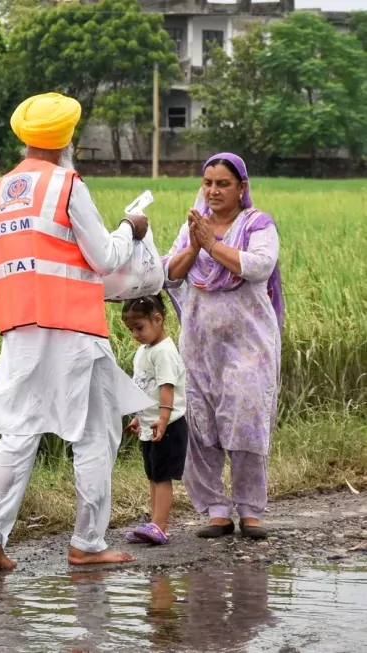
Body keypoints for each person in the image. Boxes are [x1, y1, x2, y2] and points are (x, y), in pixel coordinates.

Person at [0, 92, 150, 570]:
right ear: (67, 138)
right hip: (72, 327)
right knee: (96, 434)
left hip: (19, 325)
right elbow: (105, 258)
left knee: (18, 431)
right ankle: (88, 544)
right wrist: (130, 228)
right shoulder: (67, 184)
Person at [164, 152, 284, 540]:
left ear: (241, 188)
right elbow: (169, 272)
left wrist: (212, 245)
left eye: (224, 184)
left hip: (248, 344)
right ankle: (216, 510)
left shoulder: (257, 224)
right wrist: (196, 246)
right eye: (208, 183)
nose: (214, 191)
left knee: (246, 419)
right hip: (199, 344)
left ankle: (250, 510)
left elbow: (259, 266)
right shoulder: (194, 227)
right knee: (200, 425)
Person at [122, 294, 188, 546]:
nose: (135, 334)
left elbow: (167, 388)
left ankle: (160, 526)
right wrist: (139, 417)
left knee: (162, 477)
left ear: (158, 319)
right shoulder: (144, 351)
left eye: (139, 328)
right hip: (150, 426)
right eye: (131, 329)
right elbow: (144, 387)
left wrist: (162, 418)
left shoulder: (164, 352)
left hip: (167, 426)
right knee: (153, 475)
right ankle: (154, 523)